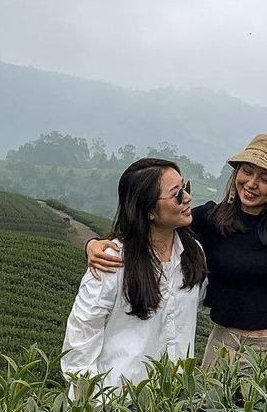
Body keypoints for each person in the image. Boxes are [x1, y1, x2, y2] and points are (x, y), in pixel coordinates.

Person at [85, 133, 267, 366]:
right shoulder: (211, 218)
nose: (251, 184)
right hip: (225, 346)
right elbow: (148, 228)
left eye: (266, 179)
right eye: (247, 171)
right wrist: (93, 244)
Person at [61, 158, 207, 390]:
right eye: (177, 194)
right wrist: (99, 407)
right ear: (149, 210)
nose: (187, 198)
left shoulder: (192, 254)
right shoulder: (113, 262)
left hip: (173, 403)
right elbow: (79, 347)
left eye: (186, 188)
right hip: (117, 405)